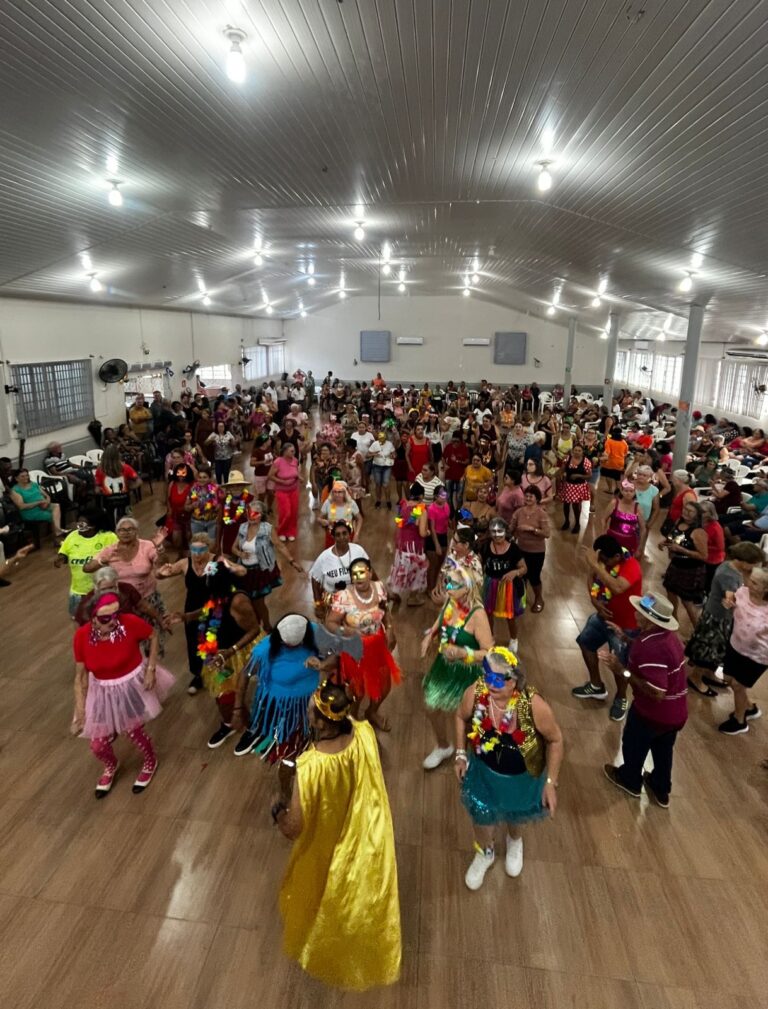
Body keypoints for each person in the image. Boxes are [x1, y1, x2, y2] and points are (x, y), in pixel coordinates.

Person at [274, 680, 401, 991]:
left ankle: (328, 942)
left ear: (321, 723)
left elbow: (294, 829)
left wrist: (277, 810)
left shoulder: (311, 767)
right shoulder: (365, 733)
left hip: (325, 839)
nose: (307, 716)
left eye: (310, 713)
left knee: (321, 889)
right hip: (361, 833)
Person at [455, 647, 563, 889]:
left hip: (521, 780)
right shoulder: (477, 692)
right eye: (486, 675)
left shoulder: (534, 705)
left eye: (496, 679)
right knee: (481, 817)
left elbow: (556, 740)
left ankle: (515, 841)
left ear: (513, 680)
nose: (489, 684)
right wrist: (461, 754)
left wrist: (550, 783)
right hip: (483, 774)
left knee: (516, 814)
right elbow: (461, 716)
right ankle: (485, 852)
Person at [71, 593, 174, 797]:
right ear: (93, 618)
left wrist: (151, 668)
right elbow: (80, 677)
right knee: (97, 744)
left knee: (134, 731)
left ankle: (150, 760)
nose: (113, 621)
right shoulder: (82, 636)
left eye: (116, 615)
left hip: (129, 687)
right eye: (105, 618)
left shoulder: (129, 623)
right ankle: (111, 765)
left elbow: (152, 635)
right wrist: (81, 711)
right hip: (101, 691)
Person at [602, 593, 686, 808]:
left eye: (639, 611)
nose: (635, 613)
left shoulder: (650, 647)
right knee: (663, 750)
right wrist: (625, 638)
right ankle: (661, 788)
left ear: (649, 618)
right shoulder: (666, 637)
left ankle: (630, 780)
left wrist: (623, 672)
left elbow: (657, 691)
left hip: (652, 714)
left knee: (633, 744)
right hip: (676, 714)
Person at [233, 616, 329, 793]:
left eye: (297, 644)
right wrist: (238, 709)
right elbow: (245, 675)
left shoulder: (315, 632)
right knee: (288, 754)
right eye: (288, 645)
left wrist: (322, 664)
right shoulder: (264, 650)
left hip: (311, 708)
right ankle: (286, 791)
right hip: (281, 712)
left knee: (314, 747)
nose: (292, 648)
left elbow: (333, 656)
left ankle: (311, 779)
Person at [170, 560, 261, 747]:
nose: (207, 587)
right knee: (222, 693)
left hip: (237, 651)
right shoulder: (218, 593)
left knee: (229, 692)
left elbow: (254, 630)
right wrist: (187, 616)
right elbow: (210, 607)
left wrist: (230, 652)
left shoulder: (239, 600)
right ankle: (232, 721)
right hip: (219, 650)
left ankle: (248, 726)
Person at [420, 559, 494, 769]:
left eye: (453, 584)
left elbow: (489, 652)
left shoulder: (478, 614)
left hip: (468, 673)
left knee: (469, 718)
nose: (447, 587)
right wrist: (430, 635)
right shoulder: (450, 602)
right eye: (447, 582)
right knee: (430, 705)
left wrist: (463, 652)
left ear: (468, 588)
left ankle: (472, 756)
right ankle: (444, 746)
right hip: (444, 665)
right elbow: (440, 619)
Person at [572, 535, 643, 721]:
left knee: (618, 664)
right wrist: (594, 599)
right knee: (585, 643)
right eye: (599, 559)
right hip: (602, 618)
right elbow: (592, 577)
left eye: (605, 560)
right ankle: (596, 685)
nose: (601, 563)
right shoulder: (603, 562)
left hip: (626, 627)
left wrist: (596, 565)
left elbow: (618, 587)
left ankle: (621, 697)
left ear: (617, 557)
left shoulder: (632, 567)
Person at [326, 557, 400, 731]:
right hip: (355, 648)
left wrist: (389, 628)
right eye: (354, 574)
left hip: (377, 645)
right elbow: (330, 623)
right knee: (357, 689)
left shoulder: (379, 588)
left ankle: (372, 712)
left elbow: (385, 611)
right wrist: (349, 632)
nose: (359, 577)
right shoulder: (343, 597)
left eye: (362, 572)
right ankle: (353, 717)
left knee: (384, 685)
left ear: (370, 572)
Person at [685, 542, 764, 697]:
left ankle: (708, 674)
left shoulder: (732, 567)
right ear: (742, 560)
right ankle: (696, 678)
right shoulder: (728, 575)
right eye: (753, 564)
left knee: (717, 651)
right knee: (708, 652)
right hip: (716, 620)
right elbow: (730, 597)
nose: (755, 568)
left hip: (722, 618)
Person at [84, 517, 168, 650]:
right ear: (116, 533)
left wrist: (160, 550)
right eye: (122, 530)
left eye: (130, 529)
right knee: (126, 641)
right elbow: (87, 568)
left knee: (151, 640)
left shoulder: (147, 546)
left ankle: (151, 666)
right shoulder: (110, 550)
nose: (126, 532)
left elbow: (162, 564)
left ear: (136, 531)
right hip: (123, 602)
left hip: (148, 598)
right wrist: (102, 561)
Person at [232, 499, 303, 629]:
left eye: (256, 513)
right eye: (250, 513)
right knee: (248, 600)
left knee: (258, 601)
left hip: (260, 570)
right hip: (244, 571)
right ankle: (254, 625)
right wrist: (240, 554)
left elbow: (279, 546)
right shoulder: (242, 528)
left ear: (261, 515)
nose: (252, 516)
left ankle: (266, 626)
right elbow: (234, 548)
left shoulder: (267, 529)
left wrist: (292, 561)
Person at [717, 567, 768, 735]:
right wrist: (728, 602)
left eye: (754, 582)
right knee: (728, 679)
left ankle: (739, 721)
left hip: (757, 656)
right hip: (736, 644)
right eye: (749, 578)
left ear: (765, 589)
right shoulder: (743, 591)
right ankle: (749, 707)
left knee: (738, 684)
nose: (747, 582)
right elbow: (732, 604)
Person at [55, 508, 118, 617]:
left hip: (102, 591)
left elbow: (118, 557)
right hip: (78, 591)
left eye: (82, 524)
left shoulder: (108, 537)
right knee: (79, 622)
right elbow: (64, 554)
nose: (78, 527)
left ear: (94, 525)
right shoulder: (72, 536)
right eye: (78, 523)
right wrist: (61, 559)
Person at [481, 517, 527, 652]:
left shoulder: (513, 549)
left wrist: (515, 572)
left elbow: (524, 568)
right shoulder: (485, 546)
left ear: (505, 531)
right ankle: (489, 636)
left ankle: (513, 639)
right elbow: (479, 562)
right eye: (493, 531)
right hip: (490, 584)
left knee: (509, 615)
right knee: (488, 613)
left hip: (508, 587)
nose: (496, 535)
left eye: (499, 531)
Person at [660, 500, 708, 627]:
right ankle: (673, 622)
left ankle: (696, 630)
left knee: (687, 602)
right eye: (685, 509)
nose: (686, 513)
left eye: (690, 511)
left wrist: (682, 550)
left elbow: (704, 556)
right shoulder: (679, 522)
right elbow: (672, 537)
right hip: (676, 565)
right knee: (670, 592)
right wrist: (664, 542)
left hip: (690, 570)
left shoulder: (698, 532)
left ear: (696, 515)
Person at [508, 485, 550, 613]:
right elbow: (511, 528)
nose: (528, 498)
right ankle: (522, 597)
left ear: (537, 498)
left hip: (536, 551)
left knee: (534, 576)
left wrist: (532, 529)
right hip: (521, 549)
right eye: (526, 495)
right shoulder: (519, 512)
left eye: (531, 496)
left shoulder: (541, 514)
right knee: (521, 575)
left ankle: (539, 598)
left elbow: (547, 534)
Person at [388, 483, 429, 606]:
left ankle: (394, 593)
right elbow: (422, 533)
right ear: (421, 496)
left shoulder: (403, 504)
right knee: (416, 571)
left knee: (400, 568)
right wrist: (428, 532)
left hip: (402, 544)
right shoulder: (421, 510)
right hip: (415, 547)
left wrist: (397, 540)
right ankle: (412, 598)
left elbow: (399, 524)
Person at [10, 468, 65, 541]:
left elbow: (46, 495)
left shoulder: (33, 484)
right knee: (53, 515)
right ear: (16, 478)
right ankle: (58, 537)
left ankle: (58, 533)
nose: (26, 478)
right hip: (30, 511)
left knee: (57, 506)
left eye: (27, 475)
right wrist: (38, 502)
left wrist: (47, 501)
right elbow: (22, 506)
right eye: (22, 476)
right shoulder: (15, 490)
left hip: (42, 506)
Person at [94, 444, 140, 527]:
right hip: (124, 499)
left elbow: (97, 489)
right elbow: (138, 481)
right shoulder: (126, 467)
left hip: (108, 501)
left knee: (110, 522)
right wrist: (130, 487)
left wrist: (101, 490)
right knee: (127, 521)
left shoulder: (100, 470)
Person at [268, 442, 301, 542]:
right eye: (291, 451)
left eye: (294, 451)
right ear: (285, 451)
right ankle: (282, 531)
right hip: (282, 491)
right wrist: (282, 481)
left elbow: (295, 472)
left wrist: (299, 477)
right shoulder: (278, 461)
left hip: (294, 490)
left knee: (294, 512)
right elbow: (270, 476)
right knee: (286, 512)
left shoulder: (295, 460)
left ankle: (291, 532)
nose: (294, 453)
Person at [604, 479, 644, 556]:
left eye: (631, 491)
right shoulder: (614, 503)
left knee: (625, 564)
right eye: (626, 491)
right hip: (612, 539)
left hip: (629, 541)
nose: (628, 493)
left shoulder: (638, 507)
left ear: (635, 492)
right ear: (621, 491)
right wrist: (603, 534)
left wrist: (640, 547)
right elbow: (603, 519)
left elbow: (643, 528)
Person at [558, 444, 592, 533]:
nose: (577, 452)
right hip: (568, 485)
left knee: (576, 506)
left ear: (582, 452)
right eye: (575, 450)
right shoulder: (567, 459)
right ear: (572, 451)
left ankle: (577, 524)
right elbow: (562, 469)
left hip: (579, 486)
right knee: (566, 504)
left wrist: (578, 475)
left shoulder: (586, 462)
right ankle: (566, 521)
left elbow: (589, 476)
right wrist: (561, 475)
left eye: (579, 450)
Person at [185, 463, 222, 543]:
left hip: (212, 522)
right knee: (198, 547)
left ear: (209, 478)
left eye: (205, 477)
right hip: (196, 522)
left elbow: (222, 503)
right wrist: (192, 506)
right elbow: (186, 507)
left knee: (212, 546)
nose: (202, 479)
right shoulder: (193, 489)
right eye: (200, 477)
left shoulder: (216, 488)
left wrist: (218, 506)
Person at [318, 480, 361, 547]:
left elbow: (359, 519)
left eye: (340, 492)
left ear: (345, 493)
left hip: (348, 536)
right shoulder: (328, 502)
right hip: (331, 537)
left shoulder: (351, 503)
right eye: (335, 492)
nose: (337, 494)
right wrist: (322, 521)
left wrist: (356, 534)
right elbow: (319, 518)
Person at [699, 499, 726, 591]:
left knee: (708, 580)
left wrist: (702, 546)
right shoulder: (699, 523)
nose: (701, 513)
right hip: (701, 554)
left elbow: (721, 547)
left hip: (713, 558)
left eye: (704, 511)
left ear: (711, 513)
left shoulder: (715, 527)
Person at [368, 430, 395, 509]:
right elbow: (368, 454)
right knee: (378, 484)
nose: (381, 440)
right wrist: (374, 454)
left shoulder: (389, 444)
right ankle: (378, 500)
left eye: (383, 438)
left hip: (387, 466)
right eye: (380, 438)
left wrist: (393, 455)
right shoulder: (375, 444)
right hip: (377, 466)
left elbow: (393, 453)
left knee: (386, 483)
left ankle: (388, 500)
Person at [600, 426, 629, 493]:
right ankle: (619, 489)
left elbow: (607, 452)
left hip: (609, 462)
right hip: (620, 462)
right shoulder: (624, 442)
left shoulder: (609, 441)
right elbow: (625, 453)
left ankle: (610, 489)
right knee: (617, 477)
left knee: (608, 475)